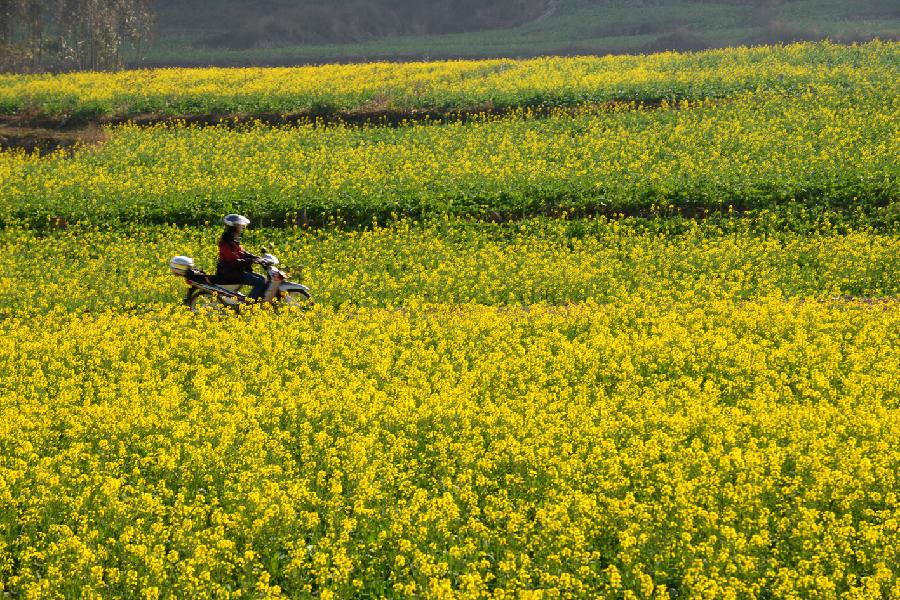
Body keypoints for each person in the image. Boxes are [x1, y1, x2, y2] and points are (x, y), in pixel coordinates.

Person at [216, 214, 267, 300]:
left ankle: (258, 302)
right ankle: (249, 305)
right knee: (260, 282)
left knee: (263, 279)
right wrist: (251, 260)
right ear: (234, 226)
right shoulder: (226, 242)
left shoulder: (232, 239)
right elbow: (233, 261)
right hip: (230, 273)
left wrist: (256, 257)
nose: (242, 226)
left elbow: (242, 252)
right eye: (240, 225)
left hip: (235, 271)